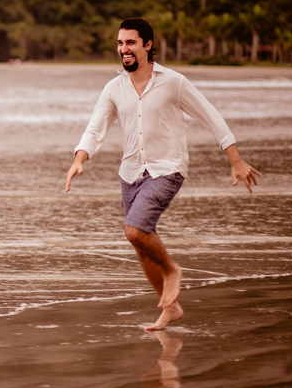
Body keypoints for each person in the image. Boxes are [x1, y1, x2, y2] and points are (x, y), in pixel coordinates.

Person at [65, 17, 260, 330]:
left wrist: (235, 159)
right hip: (130, 172)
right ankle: (170, 308)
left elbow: (211, 117)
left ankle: (171, 270)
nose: (123, 49)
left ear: (147, 45)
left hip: (168, 168)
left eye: (130, 42)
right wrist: (80, 157)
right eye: (120, 43)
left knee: (135, 230)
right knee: (141, 242)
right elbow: (95, 127)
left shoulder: (173, 82)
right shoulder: (114, 88)